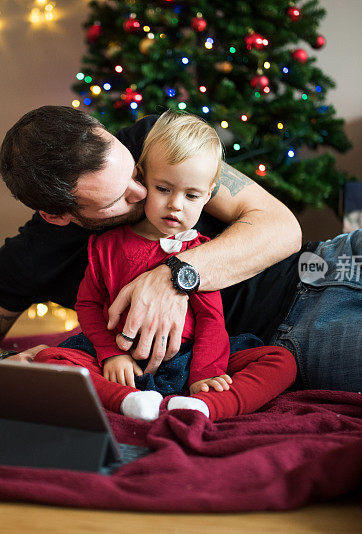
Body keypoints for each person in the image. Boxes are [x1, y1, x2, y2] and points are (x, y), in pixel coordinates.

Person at [0, 105, 362, 409]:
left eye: (131, 170)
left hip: (343, 257)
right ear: (59, 215)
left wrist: (177, 278)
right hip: (303, 334)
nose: (145, 193)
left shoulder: (157, 142)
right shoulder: (29, 259)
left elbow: (280, 226)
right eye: (119, 198)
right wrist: (5, 370)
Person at [32, 111, 296, 421]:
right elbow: (88, 305)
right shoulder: (105, 247)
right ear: (143, 179)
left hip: (187, 358)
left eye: (192, 195)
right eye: (163, 189)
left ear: (208, 195)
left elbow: (212, 320)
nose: (176, 205)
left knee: (280, 361)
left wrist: (204, 375)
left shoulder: (198, 252)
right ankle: (126, 401)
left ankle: (207, 407)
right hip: (119, 361)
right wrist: (111, 355)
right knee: (50, 359)